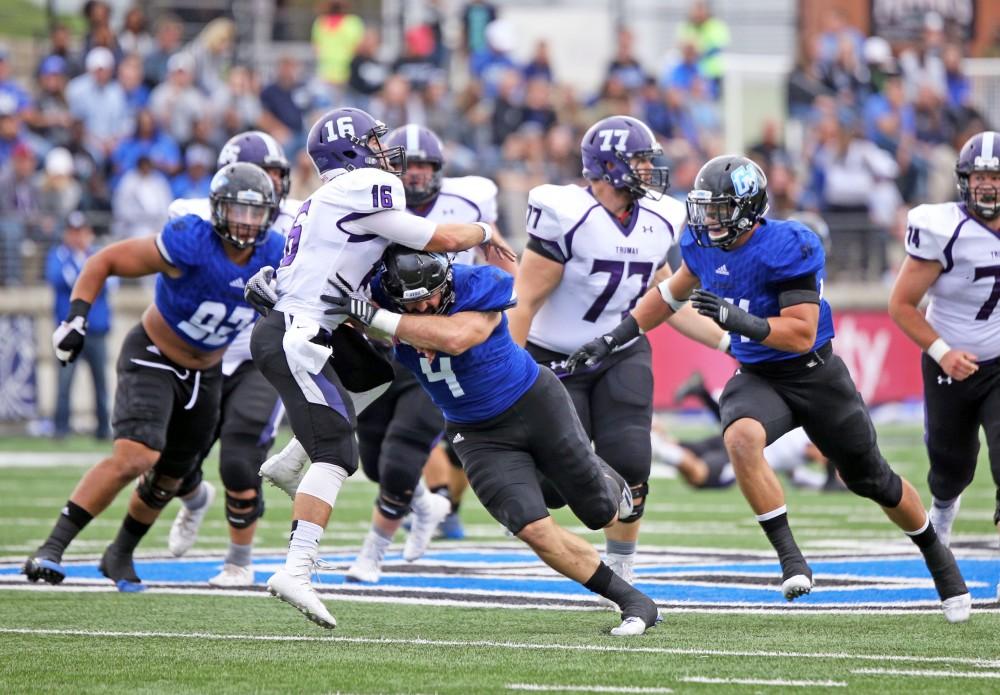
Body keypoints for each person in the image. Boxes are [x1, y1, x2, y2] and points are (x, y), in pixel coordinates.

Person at [567, 154, 972, 622]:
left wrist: (736, 320)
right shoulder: (701, 242)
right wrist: (611, 339)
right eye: (706, 208)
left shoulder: (790, 244)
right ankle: (790, 559)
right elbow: (669, 296)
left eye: (720, 209)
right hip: (759, 374)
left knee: (873, 480)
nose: (709, 219)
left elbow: (800, 333)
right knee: (739, 437)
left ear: (749, 208)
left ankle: (939, 560)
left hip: (815, 372)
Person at [246, 106, 515, 628]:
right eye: (372, 142)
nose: (382, 152)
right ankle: (296, 570)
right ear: (349, 151)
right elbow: (432, 238)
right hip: (295, 334)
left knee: (373, 376)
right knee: (340, 453)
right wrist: (483, 229)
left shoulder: (328, 200)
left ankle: (290, 460)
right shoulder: (362, 185)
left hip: (310, 327)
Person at [322, 246, 662, 636]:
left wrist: (378, 318)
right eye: (410, 304)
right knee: (530, 524)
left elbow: (457, 337)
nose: (424, 307)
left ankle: (600, 473)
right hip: (476, 432)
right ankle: (634, 601)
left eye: (430, 296)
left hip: (534, 403)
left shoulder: (479, 283)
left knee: (600, 512)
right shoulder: (380, 299)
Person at [22, 162, 283, 591]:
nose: (248, 222)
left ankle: (119, 553)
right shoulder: (192, 242)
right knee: (137, 456)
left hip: (207, 372)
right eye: (239, 210)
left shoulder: (275, 254)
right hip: (155, 355)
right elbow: (105, 260)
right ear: (218, 210)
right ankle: (51, 548)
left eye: (257, 213)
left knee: (170, 476)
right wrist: (75, 318)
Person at [507, 114, 728, 592]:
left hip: (621, 351)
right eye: (640, 160)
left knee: (631, 459)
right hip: (555, 359)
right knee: (554, 482)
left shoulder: (660, 217)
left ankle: (623, 571)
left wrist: (727, 341)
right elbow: (523, 302)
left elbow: (666, 298)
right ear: (608, 166)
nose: (650, 169)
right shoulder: (569, 215)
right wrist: (508, 376)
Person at [344, 123, 517, 582]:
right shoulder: (370, 203)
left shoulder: (469, 202)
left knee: (403, 451)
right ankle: (426, 503)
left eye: (425, 164)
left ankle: (373, 552)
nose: (416, 173)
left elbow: (500, 261)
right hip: (387, 345)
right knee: (376, 459)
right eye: (410, 163)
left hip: (440, 348)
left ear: (440, 169)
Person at [162, 131, 299, 587]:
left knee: (240, 461)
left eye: (276, 175)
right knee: (172, 462)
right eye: (260, 176)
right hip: (202, 354)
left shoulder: (299, 221)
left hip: (261, 357)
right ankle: (194, 497)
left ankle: (239, 561)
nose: (270, 186)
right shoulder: (193, 218)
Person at [889, 131, 1000, 598]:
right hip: (949, 359)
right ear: (963, 181)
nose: (988, 186)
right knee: (951, 466)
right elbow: (901, 305)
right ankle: (943, 509)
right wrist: (943, 352)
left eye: (995, 176)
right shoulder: (944, 228)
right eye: (980, 176)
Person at [45, 211, 112, 440]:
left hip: (96, 330)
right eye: (73, 232)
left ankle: (103, 429)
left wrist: (82, 273)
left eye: (82, 232)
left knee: (100, 384)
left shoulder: (98, 255)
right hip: (68, 331)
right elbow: (59, 279)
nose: (78, 237)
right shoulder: (58, 256)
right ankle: (60, 429)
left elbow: (106, 283)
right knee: (64, 384)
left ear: (89, 233)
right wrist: (85, 274)